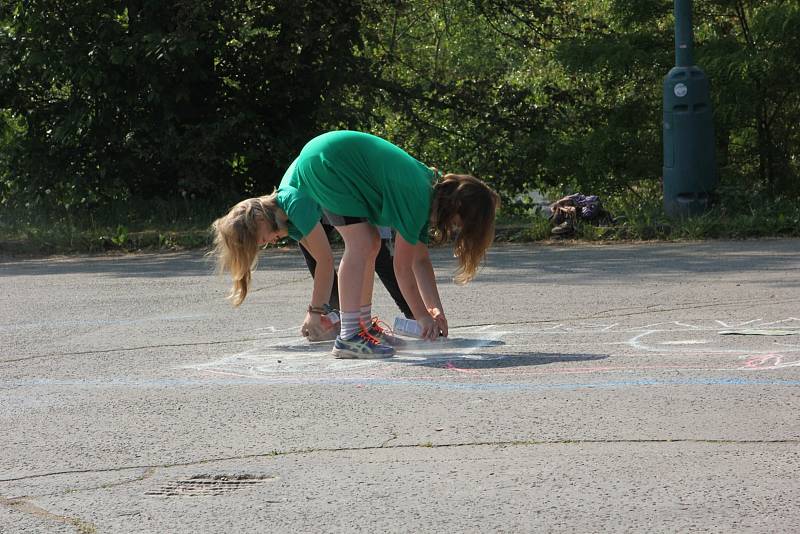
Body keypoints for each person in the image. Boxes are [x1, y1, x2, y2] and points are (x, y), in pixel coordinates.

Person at [211, 130, 499, 359]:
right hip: (328, 163)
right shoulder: (418, 197)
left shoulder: (424, 192)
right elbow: (402, 269)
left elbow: (419, 260)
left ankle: (360, 326)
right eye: (463, 225)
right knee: (362, 243)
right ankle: (351, 336)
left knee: (371, 242)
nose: (457, 230)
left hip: (328, 160)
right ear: (457, 207)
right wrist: (422, 317)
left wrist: (435, 311)